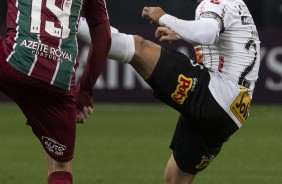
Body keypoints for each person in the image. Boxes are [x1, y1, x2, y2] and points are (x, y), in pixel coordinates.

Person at [77, 0, 260, 183]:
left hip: (214, 94)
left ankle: (71, 22)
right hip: (235, 112)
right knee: (176, 179)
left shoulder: (213, 3)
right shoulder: (235, 3)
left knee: (139, 48)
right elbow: (228, 40)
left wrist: (164, 17)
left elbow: (207, 33)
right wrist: (179, 32)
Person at [0, 0, 111, 183]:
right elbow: (103, 37)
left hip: (13, 60)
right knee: (61, 167)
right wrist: (85, 91)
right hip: (58, 78)